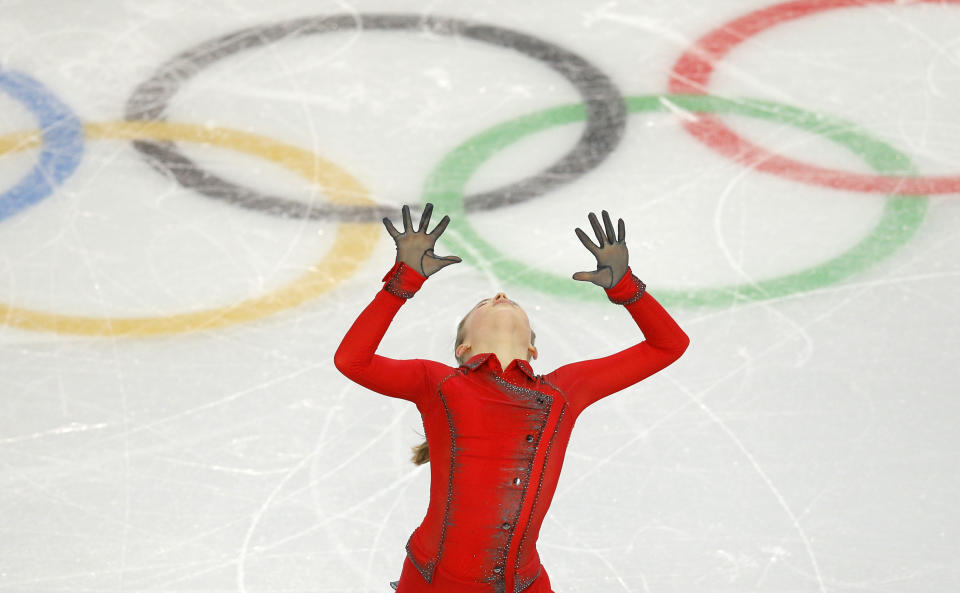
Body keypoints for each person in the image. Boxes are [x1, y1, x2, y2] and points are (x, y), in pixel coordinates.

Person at [334, 203, 690, 593]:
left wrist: (626, 288)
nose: (500, 293)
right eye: (484, 303)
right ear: (463, 348)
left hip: (522, 584)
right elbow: (352, 360)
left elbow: (669, 345)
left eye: (508, 301)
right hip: (434, 581)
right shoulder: (437, 383)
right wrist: (402, 282)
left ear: (533, 351)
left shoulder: (565, 391)